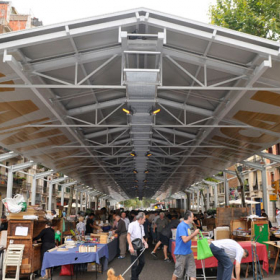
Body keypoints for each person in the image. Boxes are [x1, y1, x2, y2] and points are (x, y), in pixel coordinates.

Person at [172, 211, 200, 280]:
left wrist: (195, 235)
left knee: (192, 272)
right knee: (178, 272)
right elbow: (184, 240)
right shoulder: (182, 226)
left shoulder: (188, 226)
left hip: (188, 251)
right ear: (189, 217)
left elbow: (189, 237)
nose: (193, 218)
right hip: (181, 253)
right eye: (192, 217)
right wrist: (194, 234)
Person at [127, 212, 148, 280]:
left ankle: (135, 275)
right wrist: (130, 246)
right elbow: (128, 236)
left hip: (140, 246)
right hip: (133, 246)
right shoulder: (132, 224)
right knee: (134, 264)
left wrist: (145, 242)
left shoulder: (141, 226)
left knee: (142, 262)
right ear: (141, 219)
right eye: (144, 219)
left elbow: (141, 237)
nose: (145, 220)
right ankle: (134, 278)